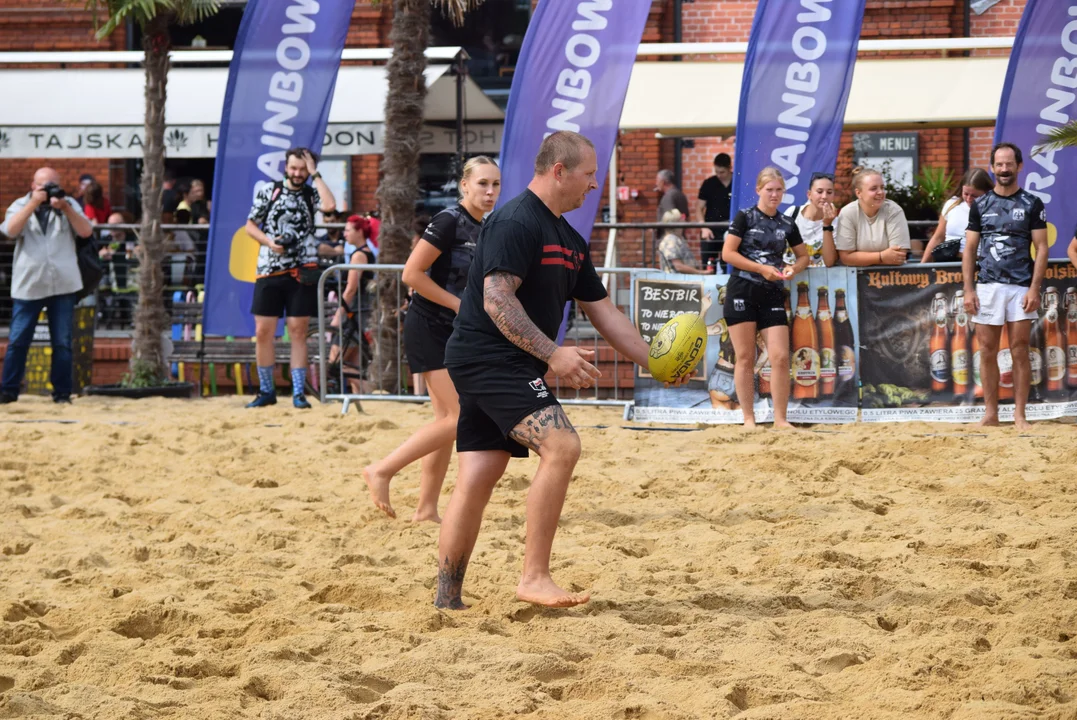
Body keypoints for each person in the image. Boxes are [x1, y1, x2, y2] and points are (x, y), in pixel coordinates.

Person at [435, 131, 686, 610]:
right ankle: (534, 577)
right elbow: (496, 299)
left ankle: (448, 599)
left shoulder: (568, 237)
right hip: (489, 357)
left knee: (478, 474)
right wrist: (552, 354)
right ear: (559, 171)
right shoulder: (514, 221)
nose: (594, 185)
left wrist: (656, 362)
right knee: (563, 445)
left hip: (492, 359)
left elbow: (606, 313)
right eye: (589, 175)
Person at [364, 156, 501, 523]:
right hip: (429, 326)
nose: (490, 192)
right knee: (461, 416)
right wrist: (460, 306)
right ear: (464, 185)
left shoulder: (483, 226)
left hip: (454, 330)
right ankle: (382, 469)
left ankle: (425, 509)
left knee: (444, 418)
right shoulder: (448, 221)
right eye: (483, 183)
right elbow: (411, 273)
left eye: (496, 185)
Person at [963, 142, 1048, 430]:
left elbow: (1042, 248)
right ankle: (990, 413)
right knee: (986, 350)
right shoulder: (981, 204)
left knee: (1019, 349)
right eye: (999, 164)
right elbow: (970, 249)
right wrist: (969, 290)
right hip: (987, 286)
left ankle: (1020, 415)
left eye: (1009, 164)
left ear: (1019, 166)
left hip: (1020, 287)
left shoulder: (1032, 204)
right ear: (992, 167)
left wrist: (1035, 289)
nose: (1004, 169)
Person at [244, 147, 336, 408]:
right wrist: (269, 242)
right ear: (285, 166)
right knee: (263, 331)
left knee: (298, 330)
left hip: (302, 270)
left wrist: (315, 174)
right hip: (269, 269)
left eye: (302, 169)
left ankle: (298, 393)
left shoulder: (311, 192)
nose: (297, 174)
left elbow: (330, 206)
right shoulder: (269, 190)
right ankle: (266, 390)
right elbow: (250, 224)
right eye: (293, 168)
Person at [721, 166, 809, 429]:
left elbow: (803, 255)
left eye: (779, 189)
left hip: (772, 294)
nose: (774, 194)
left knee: (781, 356)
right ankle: (749, 419)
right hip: (742, 291)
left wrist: (794, 268)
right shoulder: (745, 216)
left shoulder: (786, 223)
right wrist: (761, 268)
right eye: (769, 189)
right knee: (746, 357)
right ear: (758, 190)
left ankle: (780, 419)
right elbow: (728, 254)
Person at [0, 167, 94, 403]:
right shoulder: (20, 204)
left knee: (62, 342)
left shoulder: (68, 204)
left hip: (62, 284)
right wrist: (33, 204)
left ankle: (62, 393)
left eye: (54, 184)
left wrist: (65, 208)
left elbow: (86, 231)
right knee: (19, 340)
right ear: (33, 186)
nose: (50, 189)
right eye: (44, 185)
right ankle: (9, 390)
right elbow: (10, 231)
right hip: (29, 285)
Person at [328, 215, 377, 395]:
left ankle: (370, 395)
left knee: (336, 361)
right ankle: (363, 400)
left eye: (348, 230)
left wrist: (337, 316)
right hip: (360, 310)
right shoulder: (365, 253)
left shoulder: (359, 255)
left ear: (359, 232)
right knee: (352, 364)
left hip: (354, 311)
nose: (344, 233)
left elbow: (350, 289)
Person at [835, 167, 910, 266]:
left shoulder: (894, 211)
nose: (880, 192)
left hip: (892, 276)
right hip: (855, 277)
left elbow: (898, 257)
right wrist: (881, 256)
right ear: (858, 193)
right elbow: (846, 258)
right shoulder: (847, 213)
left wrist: (859, 258)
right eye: (873, 188)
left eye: (882, 187)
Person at [921, 168, 993, 263]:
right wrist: (922, 266)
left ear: (986, 193)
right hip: (949, 261)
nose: (969, 199)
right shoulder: (952, 205)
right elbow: (938, 237)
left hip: (979, 262)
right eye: (965, 194)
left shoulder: (993, 210)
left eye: (974, 196)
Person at [783, 171, 838, 268]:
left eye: (829, 192)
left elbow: (829, 262)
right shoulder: (792, 213)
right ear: (809, 194)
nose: (824, 196)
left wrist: (827, 225)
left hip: (821, 280)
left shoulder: (835, 221)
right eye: (819, 192)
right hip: (791, 276)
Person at [697, 153, 733, 267]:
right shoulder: (709, 183)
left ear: (729, 168)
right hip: (711, 230)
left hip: (731, 230)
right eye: (716, 171)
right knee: (708, 265)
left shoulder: (738, 182)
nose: (719, 175)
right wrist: (703, 227)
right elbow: (698, 208)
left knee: (727, 264)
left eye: (722, 172)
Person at [658, 209, 713, 275]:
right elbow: (678, 266)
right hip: (678, 281)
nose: (684, 218)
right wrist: (701, 273)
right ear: (676, 222)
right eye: (682, 217)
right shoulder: (671, 240)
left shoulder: (678, 238)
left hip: (684, 280)